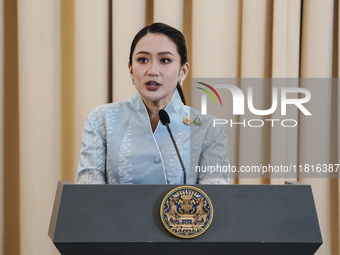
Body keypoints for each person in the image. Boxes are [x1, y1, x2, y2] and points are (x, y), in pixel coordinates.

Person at [76, 22, 229, 185]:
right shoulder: (102, 119)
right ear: (130, 70)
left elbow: (215, 193)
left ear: (182, 71)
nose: (152, 71)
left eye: (164, 60)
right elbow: (88, 182)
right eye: (142, 60)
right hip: (117, 211)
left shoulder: (208, 127)